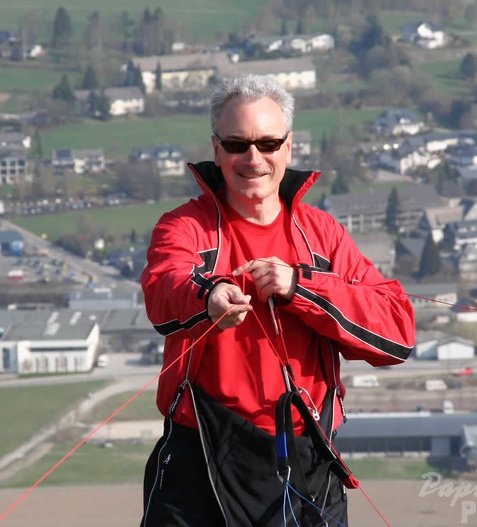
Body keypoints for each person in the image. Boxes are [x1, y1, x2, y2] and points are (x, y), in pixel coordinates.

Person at [139, 73, 416, 527]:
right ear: (216, 149)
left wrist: (302, 287)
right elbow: (163, 286)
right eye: (236, 144)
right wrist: (208, 297)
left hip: (308, 458)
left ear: (288, 148)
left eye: (268, 144)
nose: (253, 158)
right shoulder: (185, 227)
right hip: (202, 457)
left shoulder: (322, 235)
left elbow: (396, 333)